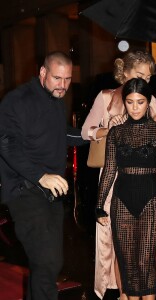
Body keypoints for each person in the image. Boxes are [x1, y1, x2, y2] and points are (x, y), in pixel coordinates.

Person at [81, 50, 156, 300]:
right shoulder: (106, 97)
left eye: (148, 76)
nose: (145, 80)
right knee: (118, 246)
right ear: (125, 72)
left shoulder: (147, 96)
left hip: (146, 177)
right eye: (139, 74)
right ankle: (124, 293)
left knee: (144, 251)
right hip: (113, 178)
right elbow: (85, 131)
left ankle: (139, 291)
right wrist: (109, 130)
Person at [0, 51, 84, 300]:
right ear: (42, 73)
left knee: (48, 263)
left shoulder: (56, 100)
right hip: (24, 189)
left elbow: (61, 133)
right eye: (57, 78)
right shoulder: (17, 100)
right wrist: (41, 176)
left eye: (68, 79)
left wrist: (91, 134)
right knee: (46, 260)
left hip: (50, 193)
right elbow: (6, 143)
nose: (63, 85)